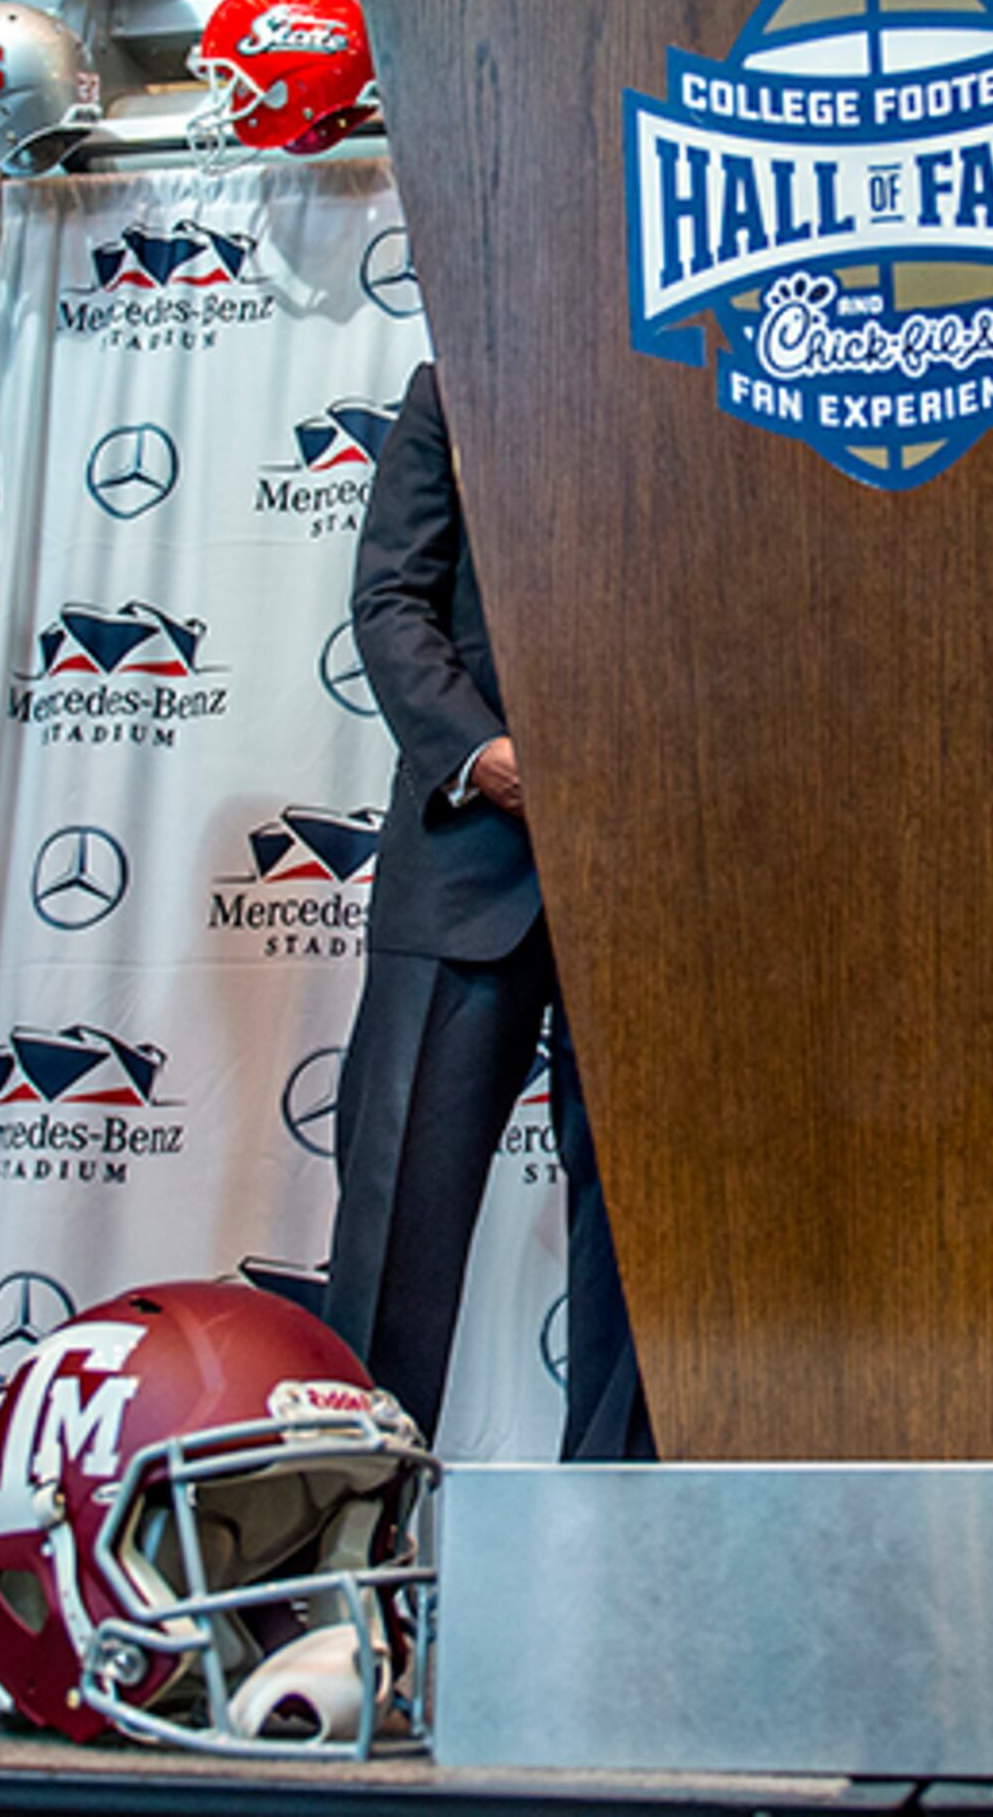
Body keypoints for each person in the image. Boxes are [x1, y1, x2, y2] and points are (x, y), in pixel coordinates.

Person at [324, 361, 646, 1460]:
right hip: (468, 858)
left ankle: (621, 1536)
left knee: (644, 1238)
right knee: (396, 1221)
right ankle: (349, 1531)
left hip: (654, 872)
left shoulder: (709, 383)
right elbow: (391, 597)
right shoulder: (454, 384)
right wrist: (481, 755)